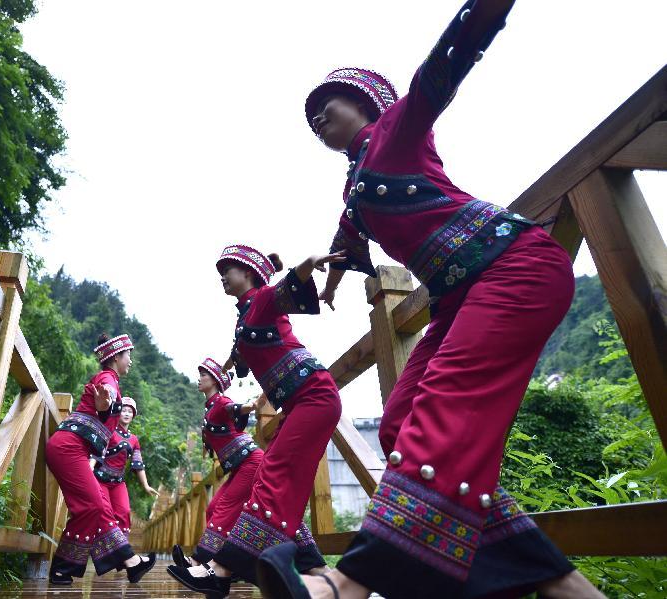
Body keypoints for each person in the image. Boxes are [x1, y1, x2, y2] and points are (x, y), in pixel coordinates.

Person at [257, 1, 605, 597]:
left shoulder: (398, 128)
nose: (316, 118)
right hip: (458, 298)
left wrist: (482, 14)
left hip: (514, 266)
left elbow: (438, 73)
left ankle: (346, 584)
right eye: (309, 116)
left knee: (442, 409)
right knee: (398, 429)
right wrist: (333, 278)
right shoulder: (355, 186)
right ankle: (561, 587)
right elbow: (348, 238)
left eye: (326, 106)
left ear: (367, 101)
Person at [168, 245, 342, 597]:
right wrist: (224, 368)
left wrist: (309, 263)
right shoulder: (245, 316)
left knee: (273, 473)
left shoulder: (262, 298)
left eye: (227, 270)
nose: (222, 277)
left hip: (314, 396)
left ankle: (220, 568)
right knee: (271, 479)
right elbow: (239, 352)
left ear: (248, 273)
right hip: (300, 403)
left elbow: (284, 288)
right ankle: (319, 570)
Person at [45, 334, 156, 586]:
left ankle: (130, 561)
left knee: (100, 508)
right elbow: (105, 394)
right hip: (68, 449)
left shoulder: (112, 381)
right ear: (117, 357)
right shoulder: (108, 380)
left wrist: (105, 404)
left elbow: (105, 404)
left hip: (72, 449)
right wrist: (105, 402)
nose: (131, 361)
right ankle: (62, 567)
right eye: (129, 355)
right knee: (93, 506)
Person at [170, 357, 261, 568]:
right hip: (239, 466)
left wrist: (250, 406)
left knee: (224, 509)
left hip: (251, 462)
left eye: (204, 375)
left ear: (215, 380)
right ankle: (225, 562)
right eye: (200, 374)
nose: (199, 379)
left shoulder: (220, 401)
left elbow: (234, 409)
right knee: (213, 508)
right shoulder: (209, 408)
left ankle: (197, 561)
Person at [91, 397, 159, 538]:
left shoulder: (134, 439)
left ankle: (121, 553)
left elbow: (138, 464)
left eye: (130, 411)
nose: (127, 414)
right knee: (105, 512)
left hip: (118, 483)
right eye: (123, 410)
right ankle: (104, 550)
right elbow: (97, 452)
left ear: (133, 415)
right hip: (100, 479)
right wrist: (89, 470)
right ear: (118, 412)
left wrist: (146, 485)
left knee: (124, 512)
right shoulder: (109, 430)